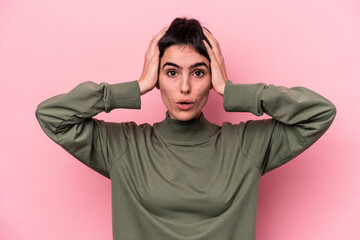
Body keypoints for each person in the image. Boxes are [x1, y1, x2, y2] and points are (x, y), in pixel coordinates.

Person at [35, 17, 336, 240]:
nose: (184, 87)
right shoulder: (125, 146)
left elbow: (319, 113)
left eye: (199, 72)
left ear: (211, 77)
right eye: (171, 72)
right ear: (157, 78)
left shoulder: (246, 145)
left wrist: (230, 90)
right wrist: (136, 87)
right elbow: (52, 116)